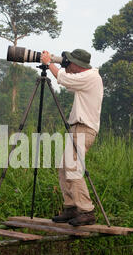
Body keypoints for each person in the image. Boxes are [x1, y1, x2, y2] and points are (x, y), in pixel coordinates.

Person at [40, 48, 103, 226]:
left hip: (85, 128)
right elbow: (68, 82)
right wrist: (57, 65)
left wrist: (49, 63)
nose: (68, 65)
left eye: (70, 62)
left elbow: (64, 79)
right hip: (77, 128)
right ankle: (71, 207)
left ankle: (86, 210)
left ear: (77, 64)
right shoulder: (85, 78)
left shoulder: (92, 76)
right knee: (64, 166)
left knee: (73, 167)